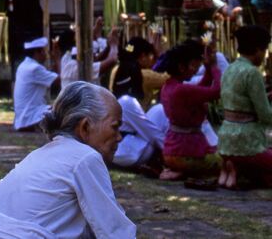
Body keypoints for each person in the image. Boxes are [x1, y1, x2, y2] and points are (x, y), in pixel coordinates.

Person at [0, 82, 136, 238]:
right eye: (115, 127)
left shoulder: (41, 155)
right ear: (85, 127)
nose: (119, 137)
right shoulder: (85, 158)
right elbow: (116, 231)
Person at [156, 39, 221, 182]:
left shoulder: (169, 86)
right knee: (228, 162)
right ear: (181, 67)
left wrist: (208, 68)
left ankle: (181, 172)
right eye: (193, 65)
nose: (196, 70)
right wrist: (215, 67)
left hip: (172, 153)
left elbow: (201, 90)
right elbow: (216, 91)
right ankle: (186, 171)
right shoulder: (181, 90)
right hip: (185, 154)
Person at [218, 25, 272, 188]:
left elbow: (238, 102)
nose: (264, 56)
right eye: (264, 51)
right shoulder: (252, 72)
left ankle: (234, 168)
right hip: (247, 143)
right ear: (257, 50)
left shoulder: (230, 69)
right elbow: (265, 115)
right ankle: (241, 169)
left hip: (226, 140)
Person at [110, 38, 164, 174]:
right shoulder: (129, 100)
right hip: (129, 152)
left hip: (121, 139)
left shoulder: (117, 69)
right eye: (149, 56)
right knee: (159, 111)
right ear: (142, 57)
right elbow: (152, 133)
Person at [108, 34, 167, 109]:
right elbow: (171, 77)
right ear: (143, 57)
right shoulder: (146, 75)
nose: (152, 59)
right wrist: (160, 56)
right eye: (151, 56)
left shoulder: (116, 69)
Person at [58, 19, 119, 91]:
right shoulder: (77, 67)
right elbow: (112, 60)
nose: (94, 55)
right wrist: (114, 44)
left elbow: (96, 59)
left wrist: (108, 47)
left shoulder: (67, 58)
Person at [13, 37, 58, 131]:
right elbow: (58, 80)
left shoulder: (24, 65)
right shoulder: (35, 68)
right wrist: (57, 58)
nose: (46, 55)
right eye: (44, 52)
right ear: (38, 53)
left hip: (24, 116)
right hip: (31, 116)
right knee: (65, 109)